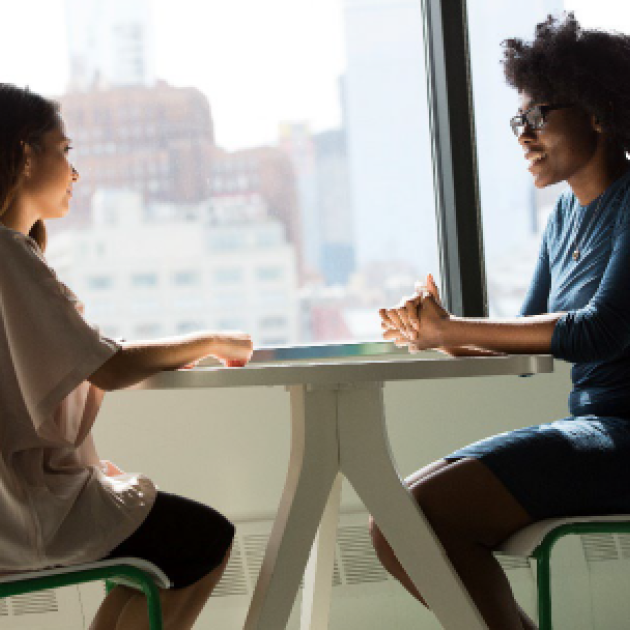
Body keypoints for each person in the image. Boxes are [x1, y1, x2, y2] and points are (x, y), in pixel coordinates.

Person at [372, 13, 630, 630]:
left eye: (537, 117)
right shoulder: (564, 216)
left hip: (623, 436)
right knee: (395, 523)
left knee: (417, 518)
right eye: (519, 121)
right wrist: (431, 335)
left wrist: (453, 329)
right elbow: (526, 353)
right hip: (597, 427)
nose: (523, 135)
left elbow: (599, 331)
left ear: (597, 111)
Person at [0, 82, 254, 630]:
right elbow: (107, 366)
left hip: (22, 496)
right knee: (204, 540)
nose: (75, 171)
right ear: (24, 154)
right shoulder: (7, 253)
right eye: (65, 151)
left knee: (151, 554)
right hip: (21, 509)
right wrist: (209, 341)